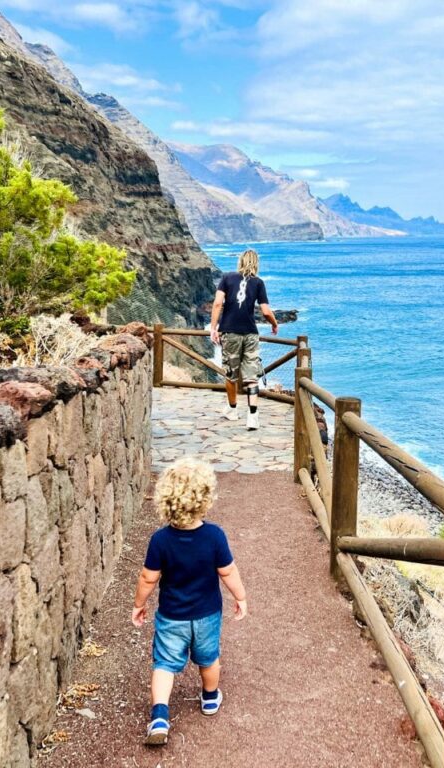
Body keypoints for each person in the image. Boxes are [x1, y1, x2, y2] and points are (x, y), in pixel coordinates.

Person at [131, 459, 248, 746]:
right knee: (209, 659)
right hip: (207, 614)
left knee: (164, 664)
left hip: (172, 616)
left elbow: (148, 578)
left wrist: (139, 604)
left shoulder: (160, 541)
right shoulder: (214, 536)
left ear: (165, 500)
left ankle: (159, 715)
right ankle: (209, 697)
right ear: (206, 499)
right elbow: (227, 571)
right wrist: (240, 596)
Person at [210, 249, 278, 430]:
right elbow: (265, 311)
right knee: (251, 376)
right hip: (250, 333)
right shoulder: (258, 283)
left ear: (240, 261)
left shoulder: (227, 278)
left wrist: (213, 327)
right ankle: (253, 416)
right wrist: (274, 323)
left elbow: (217, 303)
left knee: (231, 375)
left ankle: (232, 410)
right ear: (256, 263)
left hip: (230, 332)